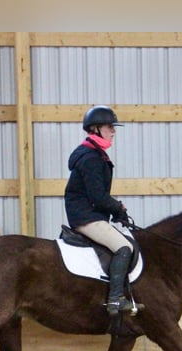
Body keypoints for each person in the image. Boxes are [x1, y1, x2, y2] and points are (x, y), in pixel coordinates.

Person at [64, 105, 136, 315]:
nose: (113, 131)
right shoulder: (91, 158)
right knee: (124, 247)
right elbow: (97, 196)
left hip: (89, 213)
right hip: (86, 217)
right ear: (95, 129)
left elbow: (97, 196)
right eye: (109, 127)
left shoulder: (94, 154)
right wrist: (117, 207)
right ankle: (115, 299)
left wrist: (115, 210)